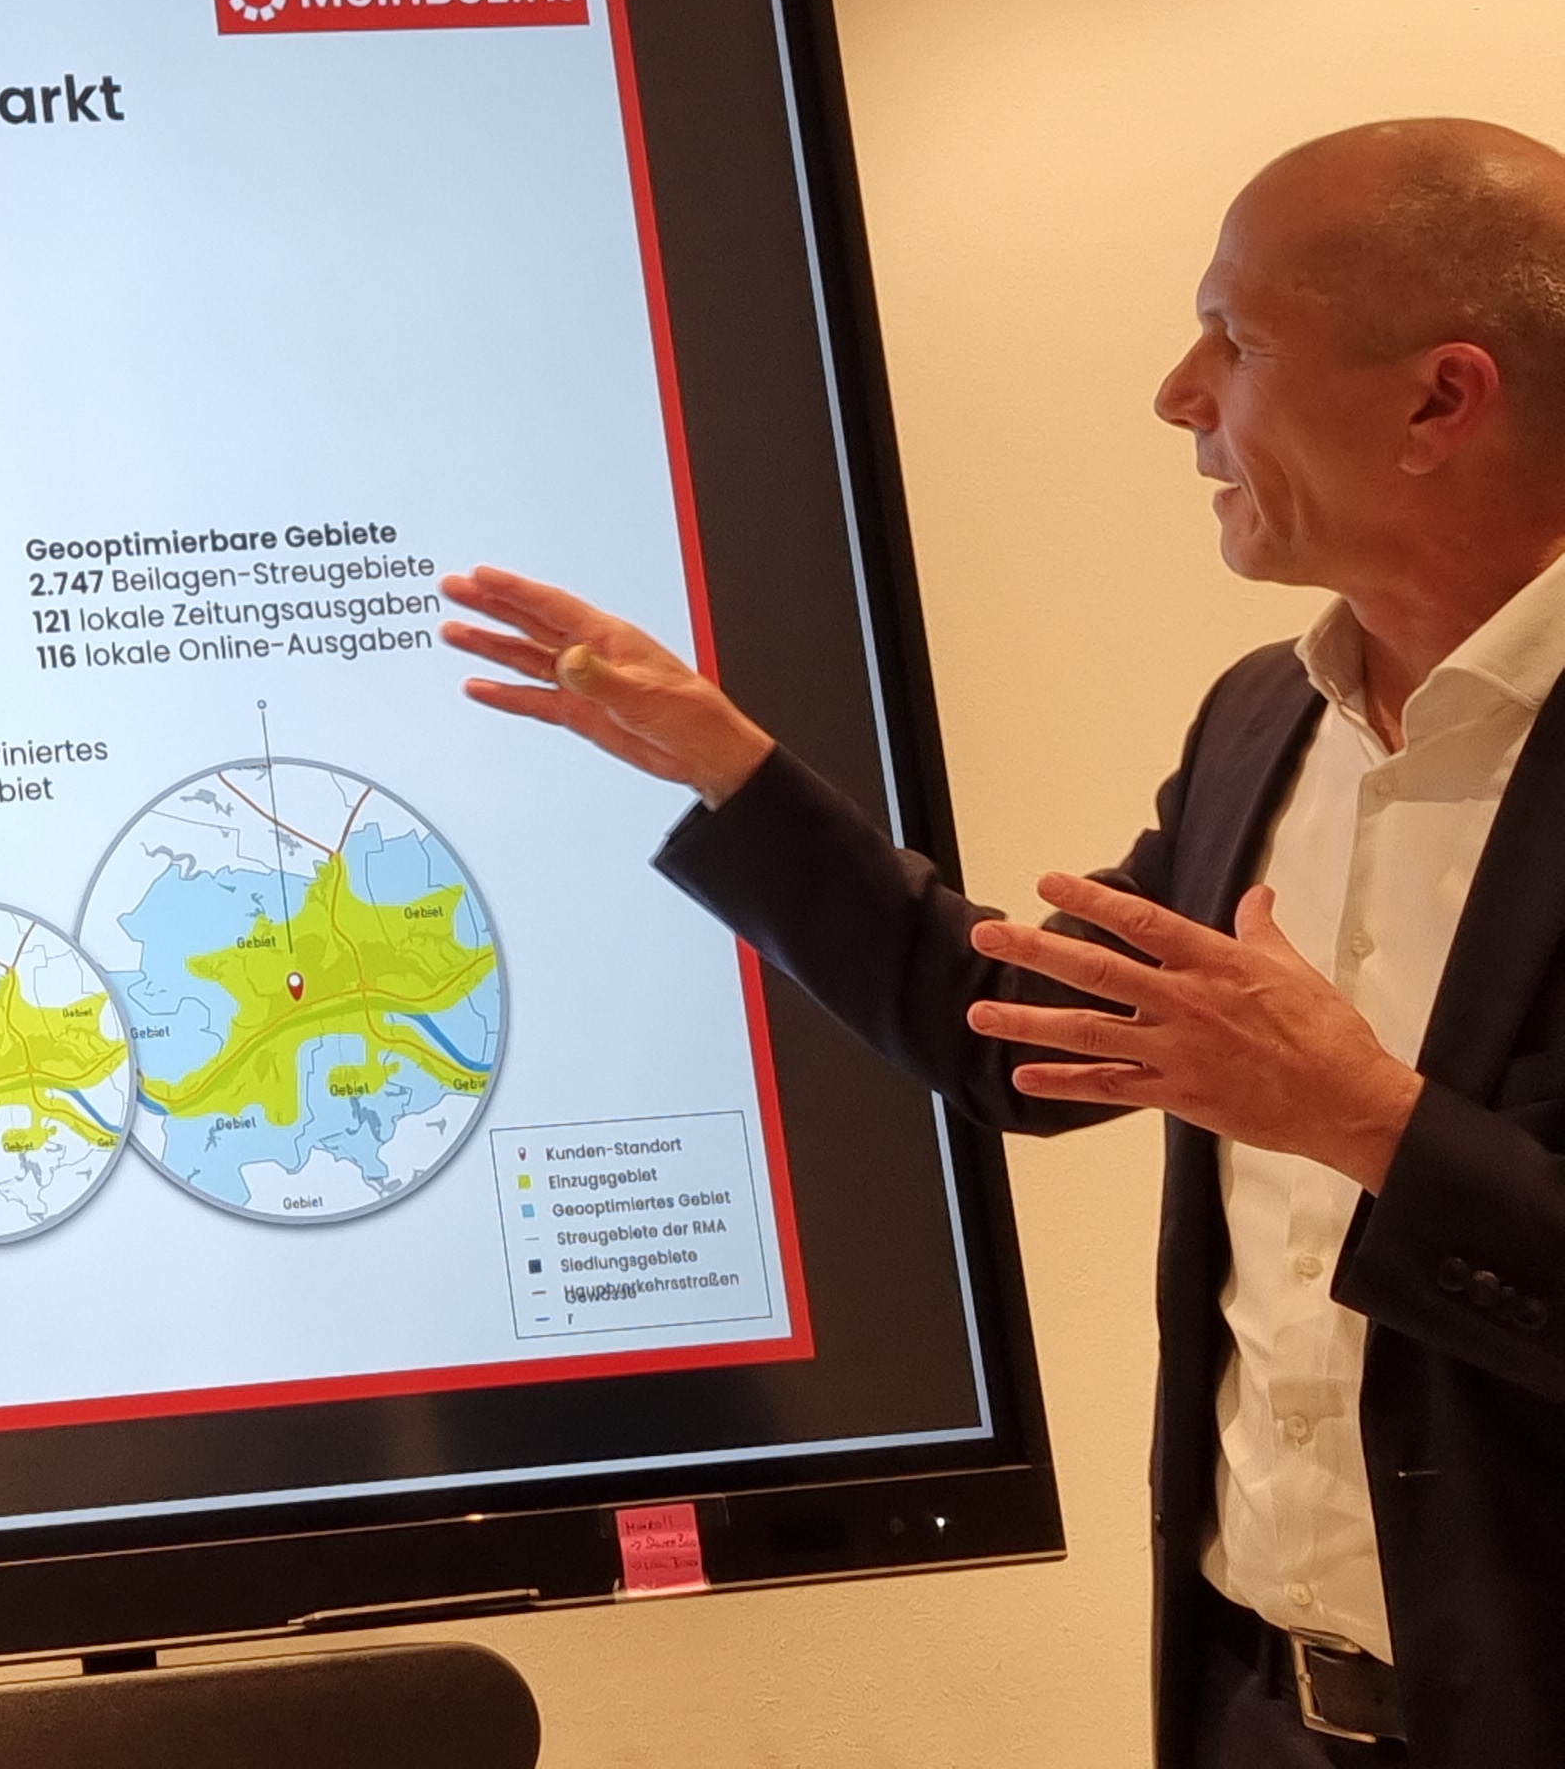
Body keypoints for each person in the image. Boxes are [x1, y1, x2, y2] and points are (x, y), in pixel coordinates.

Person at [443, 119, 1565, 1769]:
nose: (1178, 395)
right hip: (1264, 1712)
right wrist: (730, 770)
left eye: (1234, 340)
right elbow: (1015, 1038)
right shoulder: (1263, 723)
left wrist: (1363, 1121)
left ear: (1439, 401)